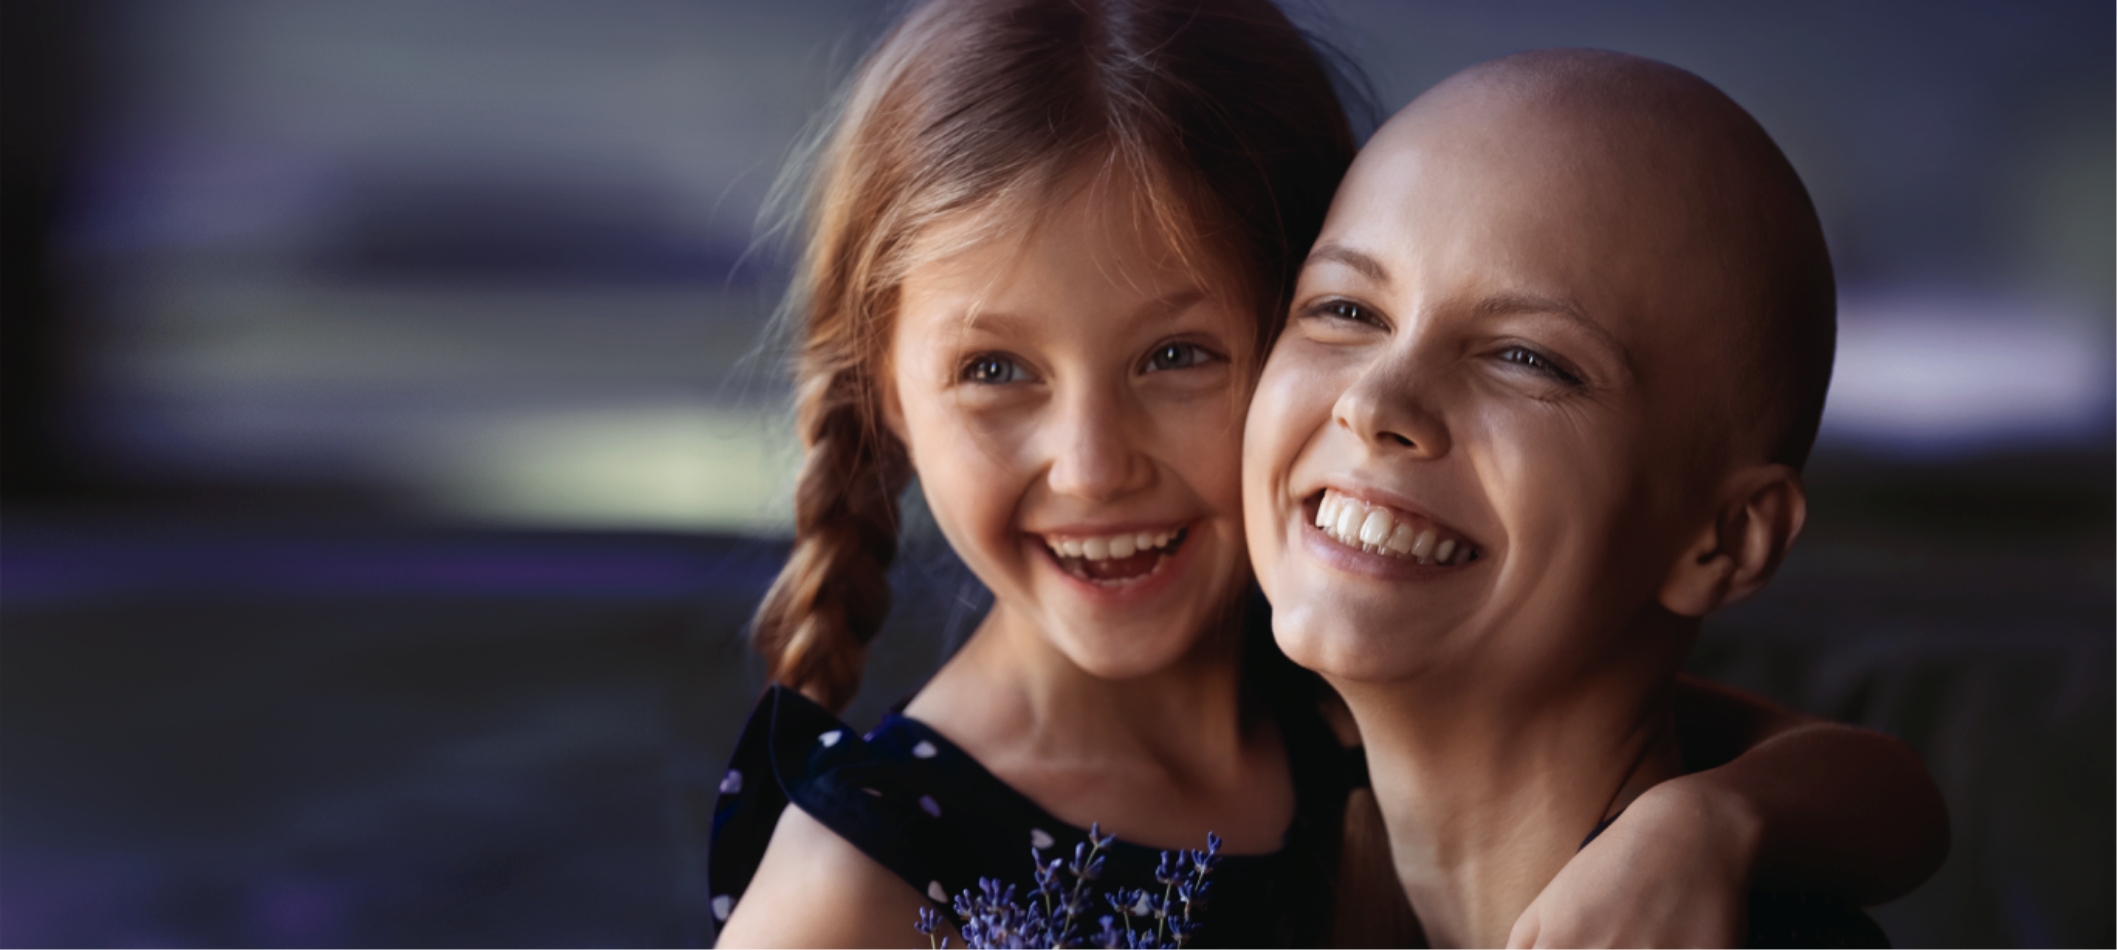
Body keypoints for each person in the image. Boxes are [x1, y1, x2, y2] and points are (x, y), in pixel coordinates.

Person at [711, 3, 1946, 944]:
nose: (1090, 466)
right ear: (885, 393)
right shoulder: (863, 865)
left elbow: (1884, 792)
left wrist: (1706, 823)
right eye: (992, 370)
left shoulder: (1354, 666)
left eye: (1179, 355)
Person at [1241, 48, 1948, 948]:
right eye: (1346, 310)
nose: (1376, 404)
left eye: (1526, 358)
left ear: (1725, 539)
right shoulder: (1238, 795)